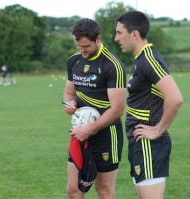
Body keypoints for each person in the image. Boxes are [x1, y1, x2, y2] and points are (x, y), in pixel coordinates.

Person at [115, 11, 183, 199]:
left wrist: (157, 130)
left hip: (149, 145)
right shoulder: (141, 60)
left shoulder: (149, 60)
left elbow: (175, 98)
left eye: (120, 33)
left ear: (134, 34)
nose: (116, 38)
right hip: (139, 143)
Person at [63, 18, 127, 199]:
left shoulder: (112, 65)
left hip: (106, 135)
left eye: (86, 46)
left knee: (104, 190)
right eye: (78, 46)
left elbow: (117, 110)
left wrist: (89, 130)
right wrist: (70, 104)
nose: (81, 51)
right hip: (79, 133)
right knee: (74, 189)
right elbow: (69, 92)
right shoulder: (74, 61)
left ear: (98, 39)